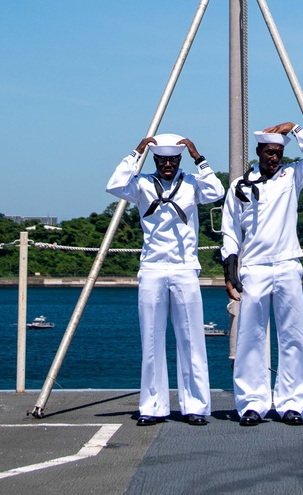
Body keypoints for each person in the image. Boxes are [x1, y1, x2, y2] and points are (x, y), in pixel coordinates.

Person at [107, 132, 224, 426]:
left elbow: (217, 192)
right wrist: (137, 152)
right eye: (162, 160)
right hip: (152, 267)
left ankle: (196, 406)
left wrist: (199, 157)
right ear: (156, 160)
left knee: (192, 339)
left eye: (172, 159)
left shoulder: (193, 183)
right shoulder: (143, 184)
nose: (167, 164)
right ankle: (152, 406)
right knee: (151, 339)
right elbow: (115, 184)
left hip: (185, 267)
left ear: (179, 159)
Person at [221, 120, 303, 426]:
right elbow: (230, 232)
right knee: (250, 337)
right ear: (258, 152)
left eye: (278, 153)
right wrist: (231, 272)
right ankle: (252, 403)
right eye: (269, 153)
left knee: (293, 334)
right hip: (254, 266)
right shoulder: (240, 187)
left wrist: (294, 130)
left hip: (287, 263)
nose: (273, 158)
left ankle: (292, 402)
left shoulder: (292, 176)